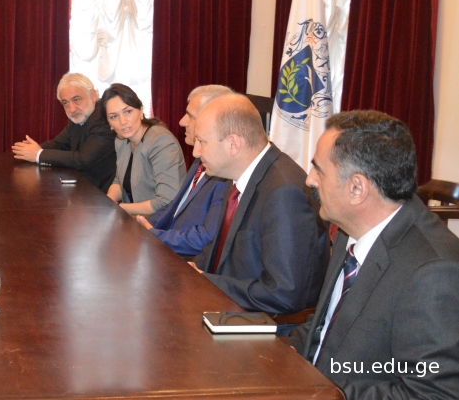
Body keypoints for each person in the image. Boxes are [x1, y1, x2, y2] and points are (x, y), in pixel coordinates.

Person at [288, 111, 459, 399]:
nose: (309, 180)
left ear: (357, 188)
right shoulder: (351, 229)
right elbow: (324, 328)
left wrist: (321, 391)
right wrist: (274, 359)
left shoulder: (433, 273)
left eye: (319, 170)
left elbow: (432, 394)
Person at [190, 93, 329, 315]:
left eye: (202, 142)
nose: (195, 151)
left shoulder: (284, 193)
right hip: (228, 304)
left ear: (233, 144)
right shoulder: (236, 173)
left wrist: (206, 282)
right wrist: (190, 272)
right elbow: (220, 247)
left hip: (262, 324)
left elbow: (283, 293)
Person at [133, 85, 231, 257]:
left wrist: (155, 235)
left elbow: (207, 237)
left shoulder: (225, 172)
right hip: (163, 246)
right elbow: (174, 207)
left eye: (190, 116)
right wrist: (140, 225)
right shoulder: (199, 158)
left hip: (184, 260)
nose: (182, 121)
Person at [12, 73, 116, 192]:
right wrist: (32, 151)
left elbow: (83, 160)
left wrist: (38, 154)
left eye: (76, 100)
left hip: (103, 194)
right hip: (82, 188)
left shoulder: (103, 119)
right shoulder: (79, 116)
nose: (72, 109)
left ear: (92, 95)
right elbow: (59, 143)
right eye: (65, 102)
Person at [102, 83, 186, 215]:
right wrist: (107, 202)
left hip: (161, 222)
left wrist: (120, 208)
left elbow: (167, 201)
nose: (123, 121)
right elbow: (119, 180)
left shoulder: (161, 141)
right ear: (109, 122)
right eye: (114, 116)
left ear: (141, 111)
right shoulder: (121, 140)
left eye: (128, 112)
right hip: (134, 219)